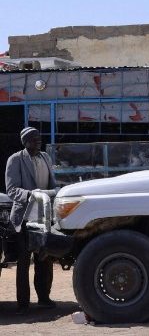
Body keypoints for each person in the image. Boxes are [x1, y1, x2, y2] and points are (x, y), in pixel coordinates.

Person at [5, 127, 56, 315]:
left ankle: (44, 298)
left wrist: (55, 192)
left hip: (43, 215)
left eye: (39, 138)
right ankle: (23, 304)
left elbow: (52, 183)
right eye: (34, 139)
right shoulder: (15, 160)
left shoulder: (45, 158)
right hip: (24, 217)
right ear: (25, 142)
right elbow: (11, 190)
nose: (38, 141)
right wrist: (31, 194)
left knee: (44, 257)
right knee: (24, 261)